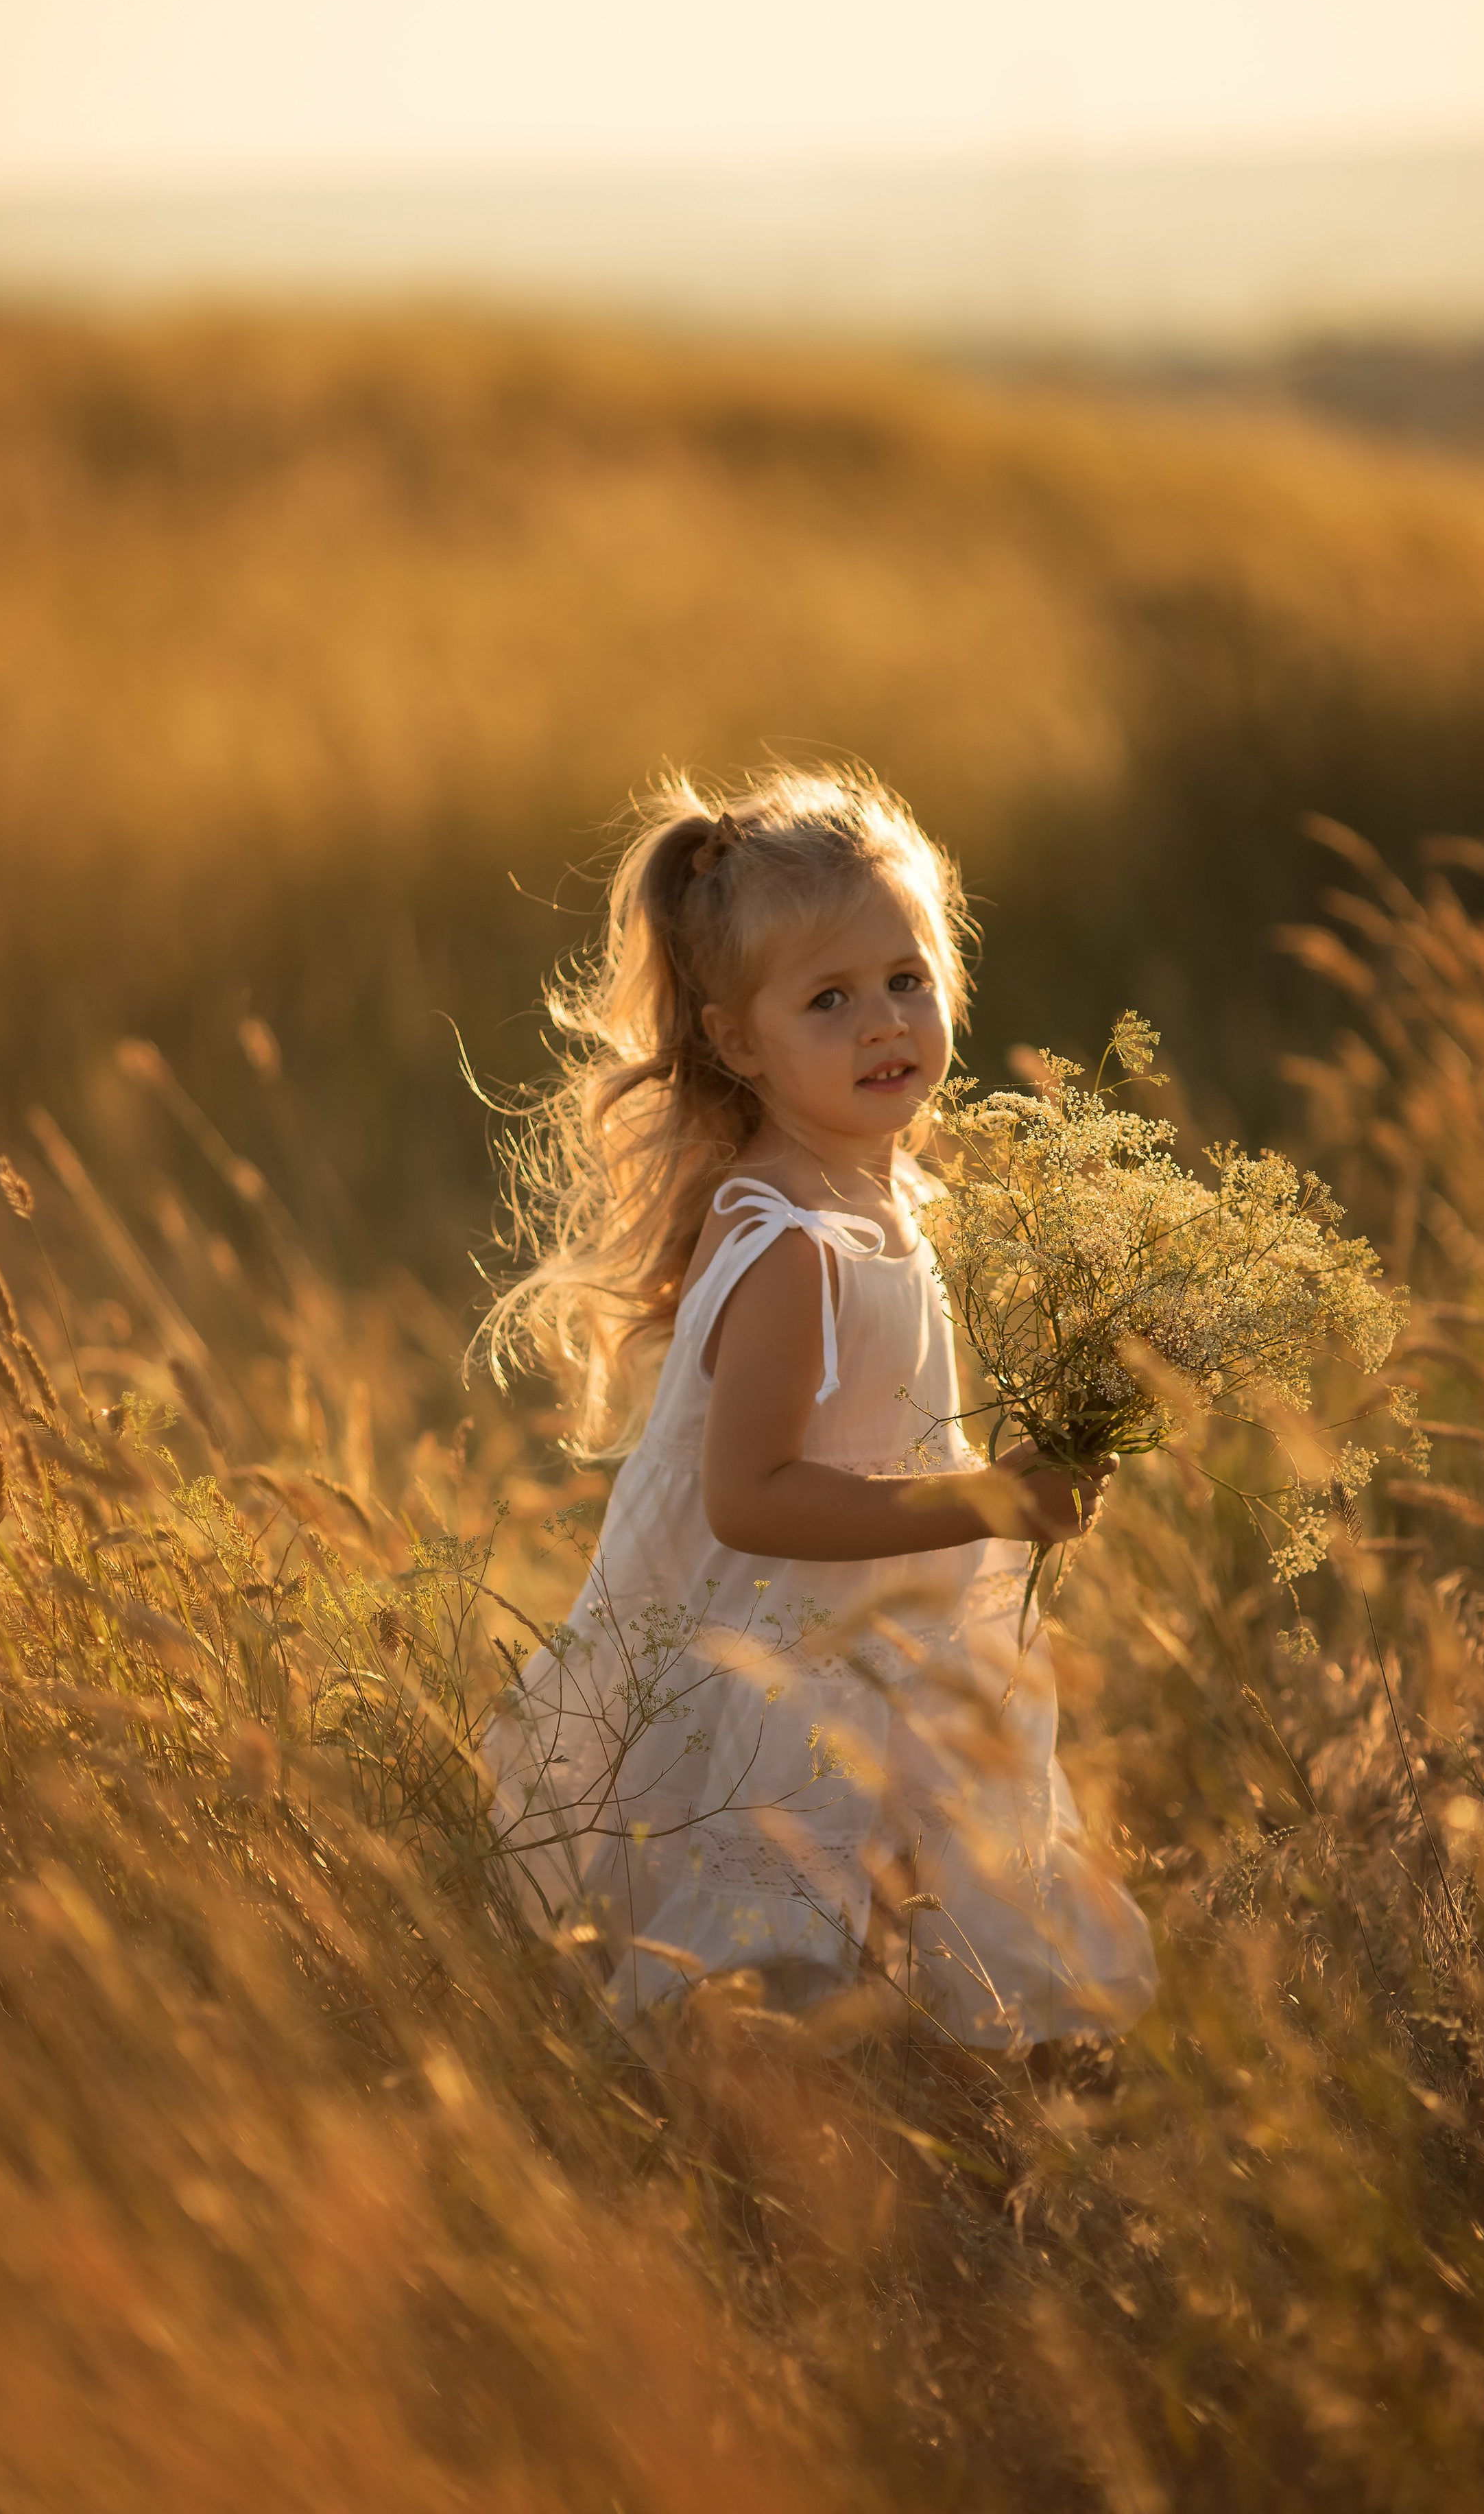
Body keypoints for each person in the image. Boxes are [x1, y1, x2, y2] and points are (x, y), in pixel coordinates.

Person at [481, 765, 1156, 2056]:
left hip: (896, 1627)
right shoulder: (792, 1245)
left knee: (943, 1893)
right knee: (776, 1940)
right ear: (740, 1042)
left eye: (905, 978)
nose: (881, 1024)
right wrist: (990, 1499)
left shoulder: (881, 1197)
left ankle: (990, 2100)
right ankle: (768, 2142)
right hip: (787, 1657)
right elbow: (753, 1496)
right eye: (828, 1000)